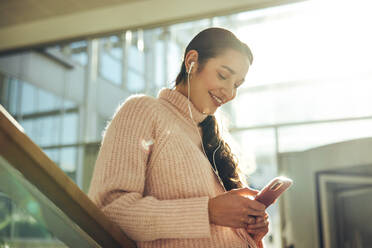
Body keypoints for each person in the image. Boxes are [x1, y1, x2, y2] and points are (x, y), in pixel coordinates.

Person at [88, 27, 269, 248]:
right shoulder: (143, 111)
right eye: (223, 75)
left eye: (237, 85)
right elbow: (110, 209)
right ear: (192, 61)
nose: (230, 93)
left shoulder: (213, 139)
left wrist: (250, 232)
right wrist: (208, 211)